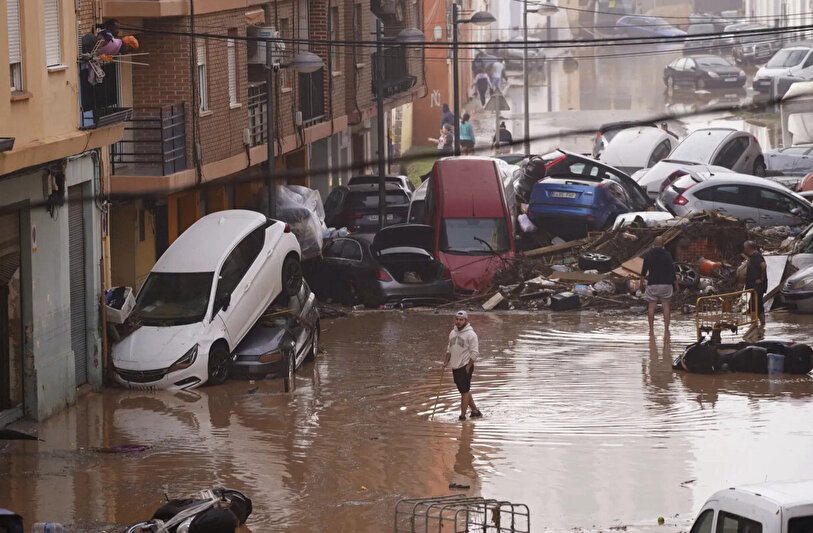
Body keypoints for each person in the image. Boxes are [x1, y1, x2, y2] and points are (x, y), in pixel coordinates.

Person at [443, 311, 482, 421]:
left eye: (461, 320)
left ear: (466, 321)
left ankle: (462, 416)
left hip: (465, 366)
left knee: (464, 391)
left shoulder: (471, 335)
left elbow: (475, 353)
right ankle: (475, 411)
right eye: (457, 319)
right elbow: (449, 349)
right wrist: (446, 361)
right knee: (464, 390)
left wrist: (468, 367)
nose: (458, 322)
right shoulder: (452, 333)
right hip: (455, 366)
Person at [640, 236, 679, 335]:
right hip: (666, 284)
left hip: (652, 284)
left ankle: (651, 330)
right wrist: (676, 284)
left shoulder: (648, 254)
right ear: (663, 244)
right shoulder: (667, 254)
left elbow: (644, 271)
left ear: (654, 243)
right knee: (666, 306)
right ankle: (666, 330)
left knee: (651, 306)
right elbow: (672, 270)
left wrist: (641, 284)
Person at [743, 240, 767, 332]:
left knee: (753, 304)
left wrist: (761, 279)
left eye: (745, 248)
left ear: (748, 248)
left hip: (758, 286)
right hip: (755, 286)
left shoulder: (756, 256)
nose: (744, 250)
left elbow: (763, 266)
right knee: (758, 304)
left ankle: (754, 324)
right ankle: (762, 324)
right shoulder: (753, 257)